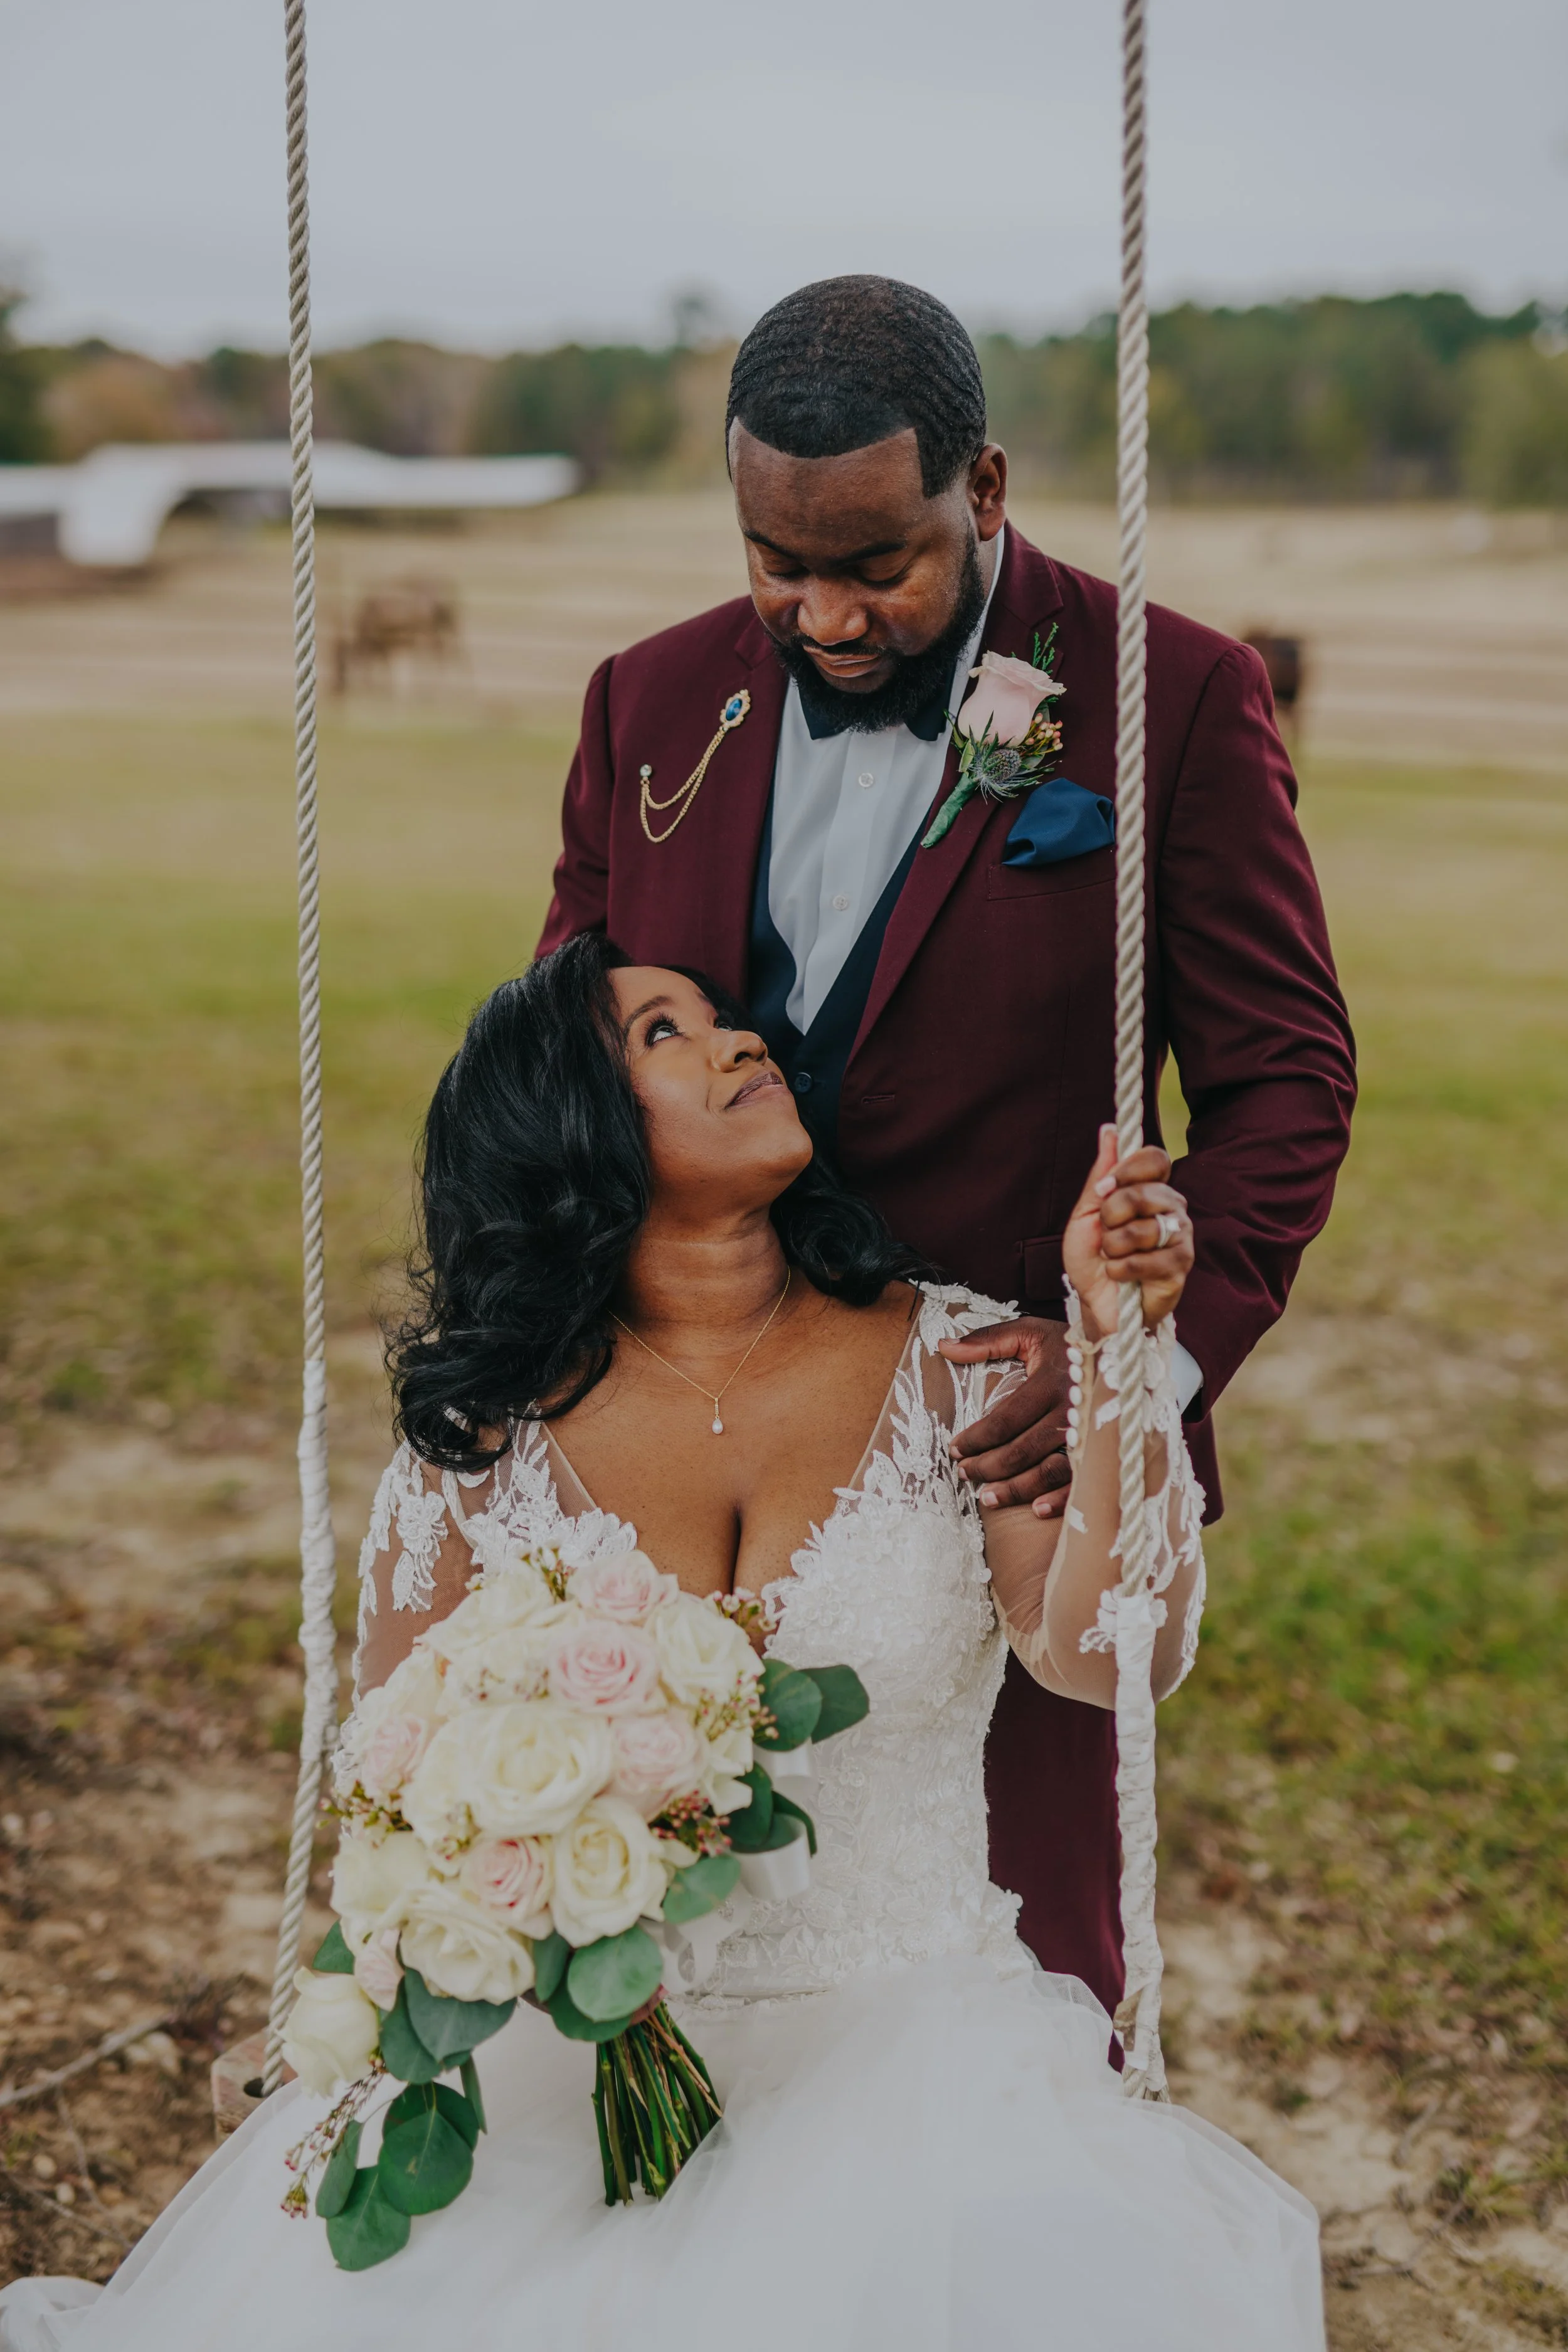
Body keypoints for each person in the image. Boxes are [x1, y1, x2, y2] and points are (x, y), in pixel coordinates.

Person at [0, 941, 1324, 2351]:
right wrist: (344, 2029)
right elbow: (397, 1799)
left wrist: (1118, 1352)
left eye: (723, 1016)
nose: (738, 1041)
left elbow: (1106, 1652)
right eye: (662, 1033)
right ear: (569, 1126)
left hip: (914, 2054)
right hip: (558, 2071)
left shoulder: (963, 1362)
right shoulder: (480, 1444)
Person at [538, 275, 1356, 2013]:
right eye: (777, 559)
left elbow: (1286, 1084)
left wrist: (1133, 1359)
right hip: (679, 1444)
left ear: (981, 489)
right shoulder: (648, 701)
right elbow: (573, 1045)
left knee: (1021, 1981)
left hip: (995, 1467)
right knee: (648, 1939)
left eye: (873, 563)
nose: (820, 614)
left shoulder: (1173, 699)